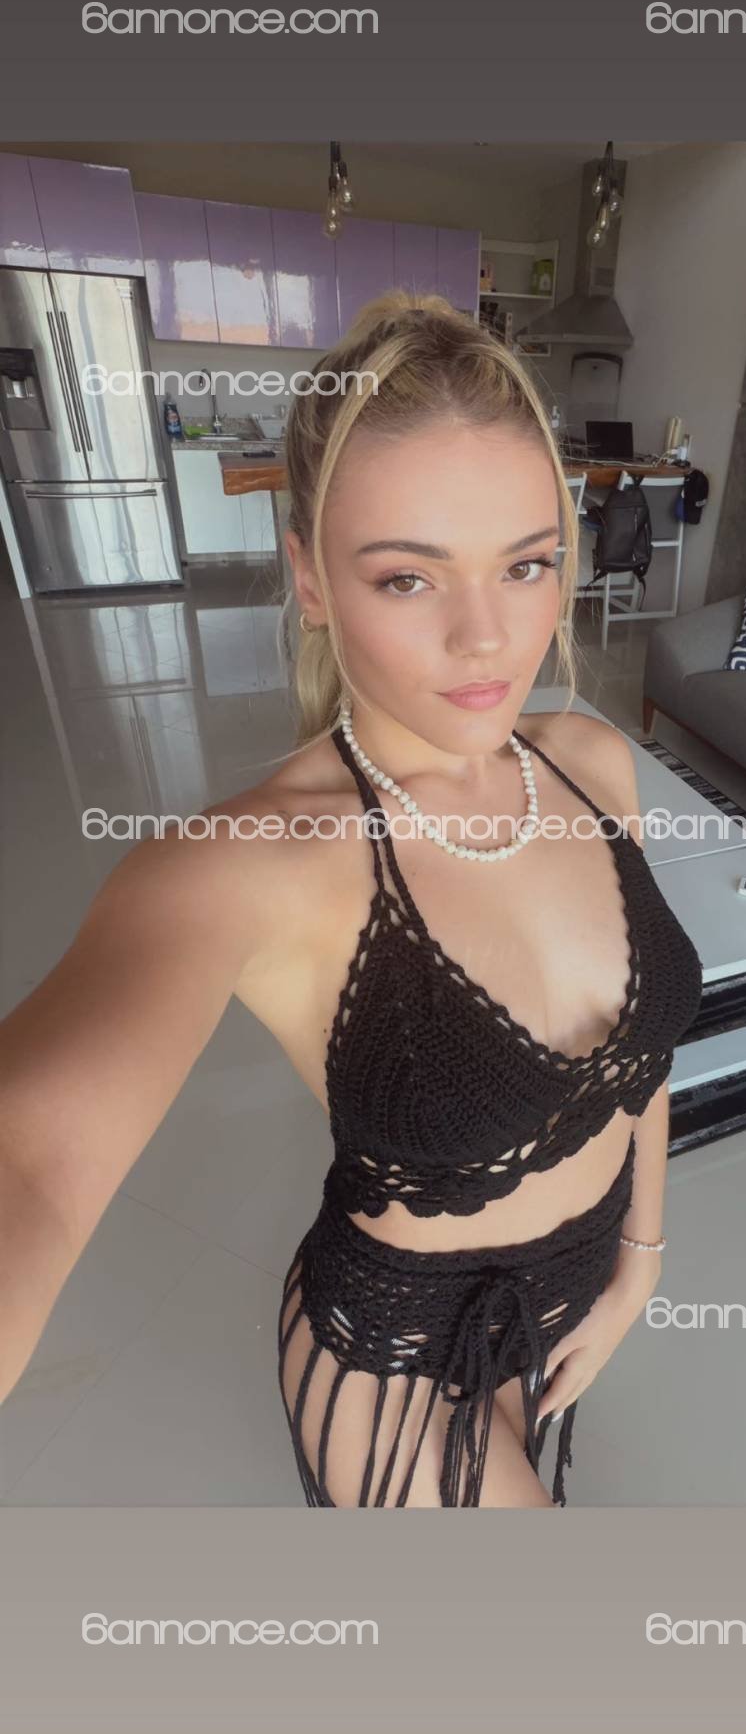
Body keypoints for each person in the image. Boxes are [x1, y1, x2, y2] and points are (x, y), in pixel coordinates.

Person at [0, 291, 703, 1508]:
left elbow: (642, 1067)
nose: (486, 637)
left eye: (526, 563)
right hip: (392, 1360)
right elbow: (34, 1165)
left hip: (576, 1290)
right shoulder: (247, 863)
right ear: (312, 580)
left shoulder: (593, 765)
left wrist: (641, 1254)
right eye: (408, 578)